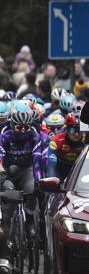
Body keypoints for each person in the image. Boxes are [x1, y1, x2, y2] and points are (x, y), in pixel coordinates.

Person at [0, 105, 45, 247]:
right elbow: (0, 157)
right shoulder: (4, 137)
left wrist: (38, 181)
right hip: (9, 172)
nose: (23, 131)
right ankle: (6, 243)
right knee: (7, 208)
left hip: (27, 170)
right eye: (19, 128)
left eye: (26, 127)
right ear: (12, 127)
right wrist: (2, 175)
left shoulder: (34, 136)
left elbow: (37, 159)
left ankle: (30, 221)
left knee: (31, 189)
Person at [46, 112, 87, 183]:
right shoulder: (56, 141)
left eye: (79, 131)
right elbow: (51, 166)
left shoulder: (88, 141)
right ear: (66, 130)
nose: (76, 134)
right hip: (60, 172)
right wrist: (51, 185)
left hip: (80, 173)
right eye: (73, 130)